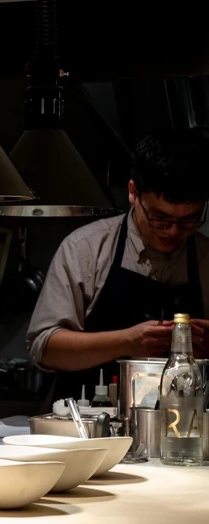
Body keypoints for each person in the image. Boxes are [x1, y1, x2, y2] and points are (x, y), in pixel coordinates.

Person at [27, 128, 209, 402]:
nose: (173, 231)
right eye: (160, 218)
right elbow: (45, 348)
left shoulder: (206, 257)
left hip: (184, 430)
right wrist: (128, 342)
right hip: (88, 426)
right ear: (133, 192)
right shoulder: (86, 249)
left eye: (188, 221)